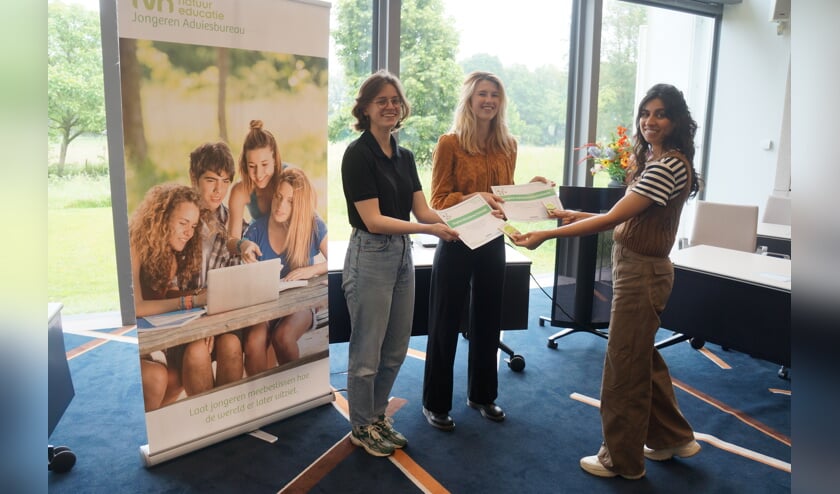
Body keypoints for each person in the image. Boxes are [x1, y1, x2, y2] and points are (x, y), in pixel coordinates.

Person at [513, 83, 703, 480]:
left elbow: (614, 219)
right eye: (645, 113)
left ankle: (621, 460)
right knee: (641, 358)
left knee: (624, 368)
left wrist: (546, 234)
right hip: (639, 269)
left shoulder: (669, 165)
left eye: (660, 114)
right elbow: (625, 217)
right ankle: (672, 436)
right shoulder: (662, 162)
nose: (650, 121)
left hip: (641, 273)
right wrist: (566, 215)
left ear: (677, 120)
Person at [422, 71, 551, 431]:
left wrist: (533, 189)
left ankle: (482, 395)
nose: (488, 99)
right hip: (456, 239)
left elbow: (504, 196)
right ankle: (435, 402)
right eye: (482, 93)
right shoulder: (449, 143)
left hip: (492, 239)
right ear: (469, 99)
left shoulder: (508, 144)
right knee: (445, 320)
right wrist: (474, 197)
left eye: (495, 94)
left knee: (488, 320)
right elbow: (438, 201)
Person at [341, 70, 459, 457]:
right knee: (367, 353)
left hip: (401, 255)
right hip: (370, 254)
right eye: (382, 101)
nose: (391, 106)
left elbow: (424, 209)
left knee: (395, 348)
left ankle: (376, 418)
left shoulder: (404, 155)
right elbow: (374, 220)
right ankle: (361, 426)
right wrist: (431, 230)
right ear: (366, 109)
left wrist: (460, 219)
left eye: (395, 100)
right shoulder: (357, 155)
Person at [241, 167, 328, 375]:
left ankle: (297, 390)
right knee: (254, 341)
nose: (280, 205)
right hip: (266, 305)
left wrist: (311, 270)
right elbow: (245, 277)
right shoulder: (256, 229)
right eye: (278, 197)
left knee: (283, 335)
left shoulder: (313, 225)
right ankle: (261, 399)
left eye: (290, 201)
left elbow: (335, 260)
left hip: (299, 305)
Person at [179, 142, 250, 397]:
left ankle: (227, 421)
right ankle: (204, 426)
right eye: (210, 180)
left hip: (221, 315)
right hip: (183, 316)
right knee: (198, 350)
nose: (218, 189)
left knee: (231, 344)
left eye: (225, 181)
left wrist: (215, 323)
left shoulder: (234, 223)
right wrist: (201, 324)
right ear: (193, 178)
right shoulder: (179, 219)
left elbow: (235, 281)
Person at [129, 183, 205, 412]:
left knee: (180, 371)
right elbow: (137, 307)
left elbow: (161, 295)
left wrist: (197, 295)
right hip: (127, 340)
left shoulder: (169, 258)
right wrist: (188, 301)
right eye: (183, 223)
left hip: (152, 341)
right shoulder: (133, 243)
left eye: (193, 225)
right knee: (157, 376)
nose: (189, 233)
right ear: (162, 218)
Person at [226, 120, 285, 262]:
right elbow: (231, 240)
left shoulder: (289, 179)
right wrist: (242, 244)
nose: (258, 174)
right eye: (252, 166)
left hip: (290, 247)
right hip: (262, 250)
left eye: (264, 164)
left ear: (275, 160)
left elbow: (310, 219)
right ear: (245, 165)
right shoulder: (240, 191)